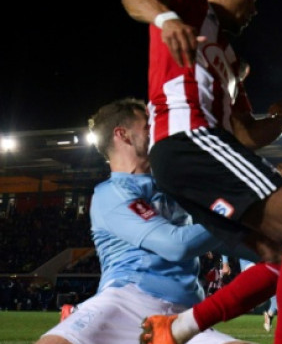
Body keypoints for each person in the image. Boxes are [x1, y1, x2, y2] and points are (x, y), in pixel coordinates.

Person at [122, 0, 282, 344]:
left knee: (279, 254)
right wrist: (166, 20)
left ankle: (176, 329)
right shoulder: (189, 0)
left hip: (188, 154)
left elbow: (247, 134)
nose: (254, 9)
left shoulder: (229, 60)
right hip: (189, 138)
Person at [36, 98, 252, 344]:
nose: (160, 130)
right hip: (124, 303)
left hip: (184, 315)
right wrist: (241, 214)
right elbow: (177, 245)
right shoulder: (111, 193)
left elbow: (221, 237)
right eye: (149, 126)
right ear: (123, 134)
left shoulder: (176, 188)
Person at [220, 256, 278, 332]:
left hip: (264, 262)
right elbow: (228, 244)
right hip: (249, 264)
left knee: (278, 290)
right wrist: (225, 263)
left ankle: (270, 314)